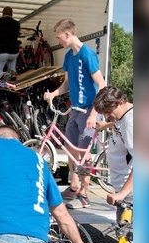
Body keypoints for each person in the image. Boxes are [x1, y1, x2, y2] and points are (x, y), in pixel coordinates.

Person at [43, 19, 107, 209]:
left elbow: (102, 85)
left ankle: (85, 194)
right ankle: (74, 186)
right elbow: (66, 83)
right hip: (75, 110)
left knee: (84, 151)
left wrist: (94, 114)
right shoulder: (69, 56)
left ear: (68, 34)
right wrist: (54, 93)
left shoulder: (87, 54)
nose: (59, 41)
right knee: (70, 148)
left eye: (59, 37)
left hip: (89, 110)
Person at [93, 87, 135, 206]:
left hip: (131, 194)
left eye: (108, 111)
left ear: (121, 102)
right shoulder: (123, 115)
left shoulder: (131, 124)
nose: (106, 115)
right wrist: (107, 125)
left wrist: (122, 193)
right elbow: (120, 122)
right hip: (124, 189)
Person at [0, 7, 21, 82]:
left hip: (2, 51)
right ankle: (12, 77)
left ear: (2, 13)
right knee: (12, 74)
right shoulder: (16, 23)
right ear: (12, 14)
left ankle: (5, 75)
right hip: (14, 53)